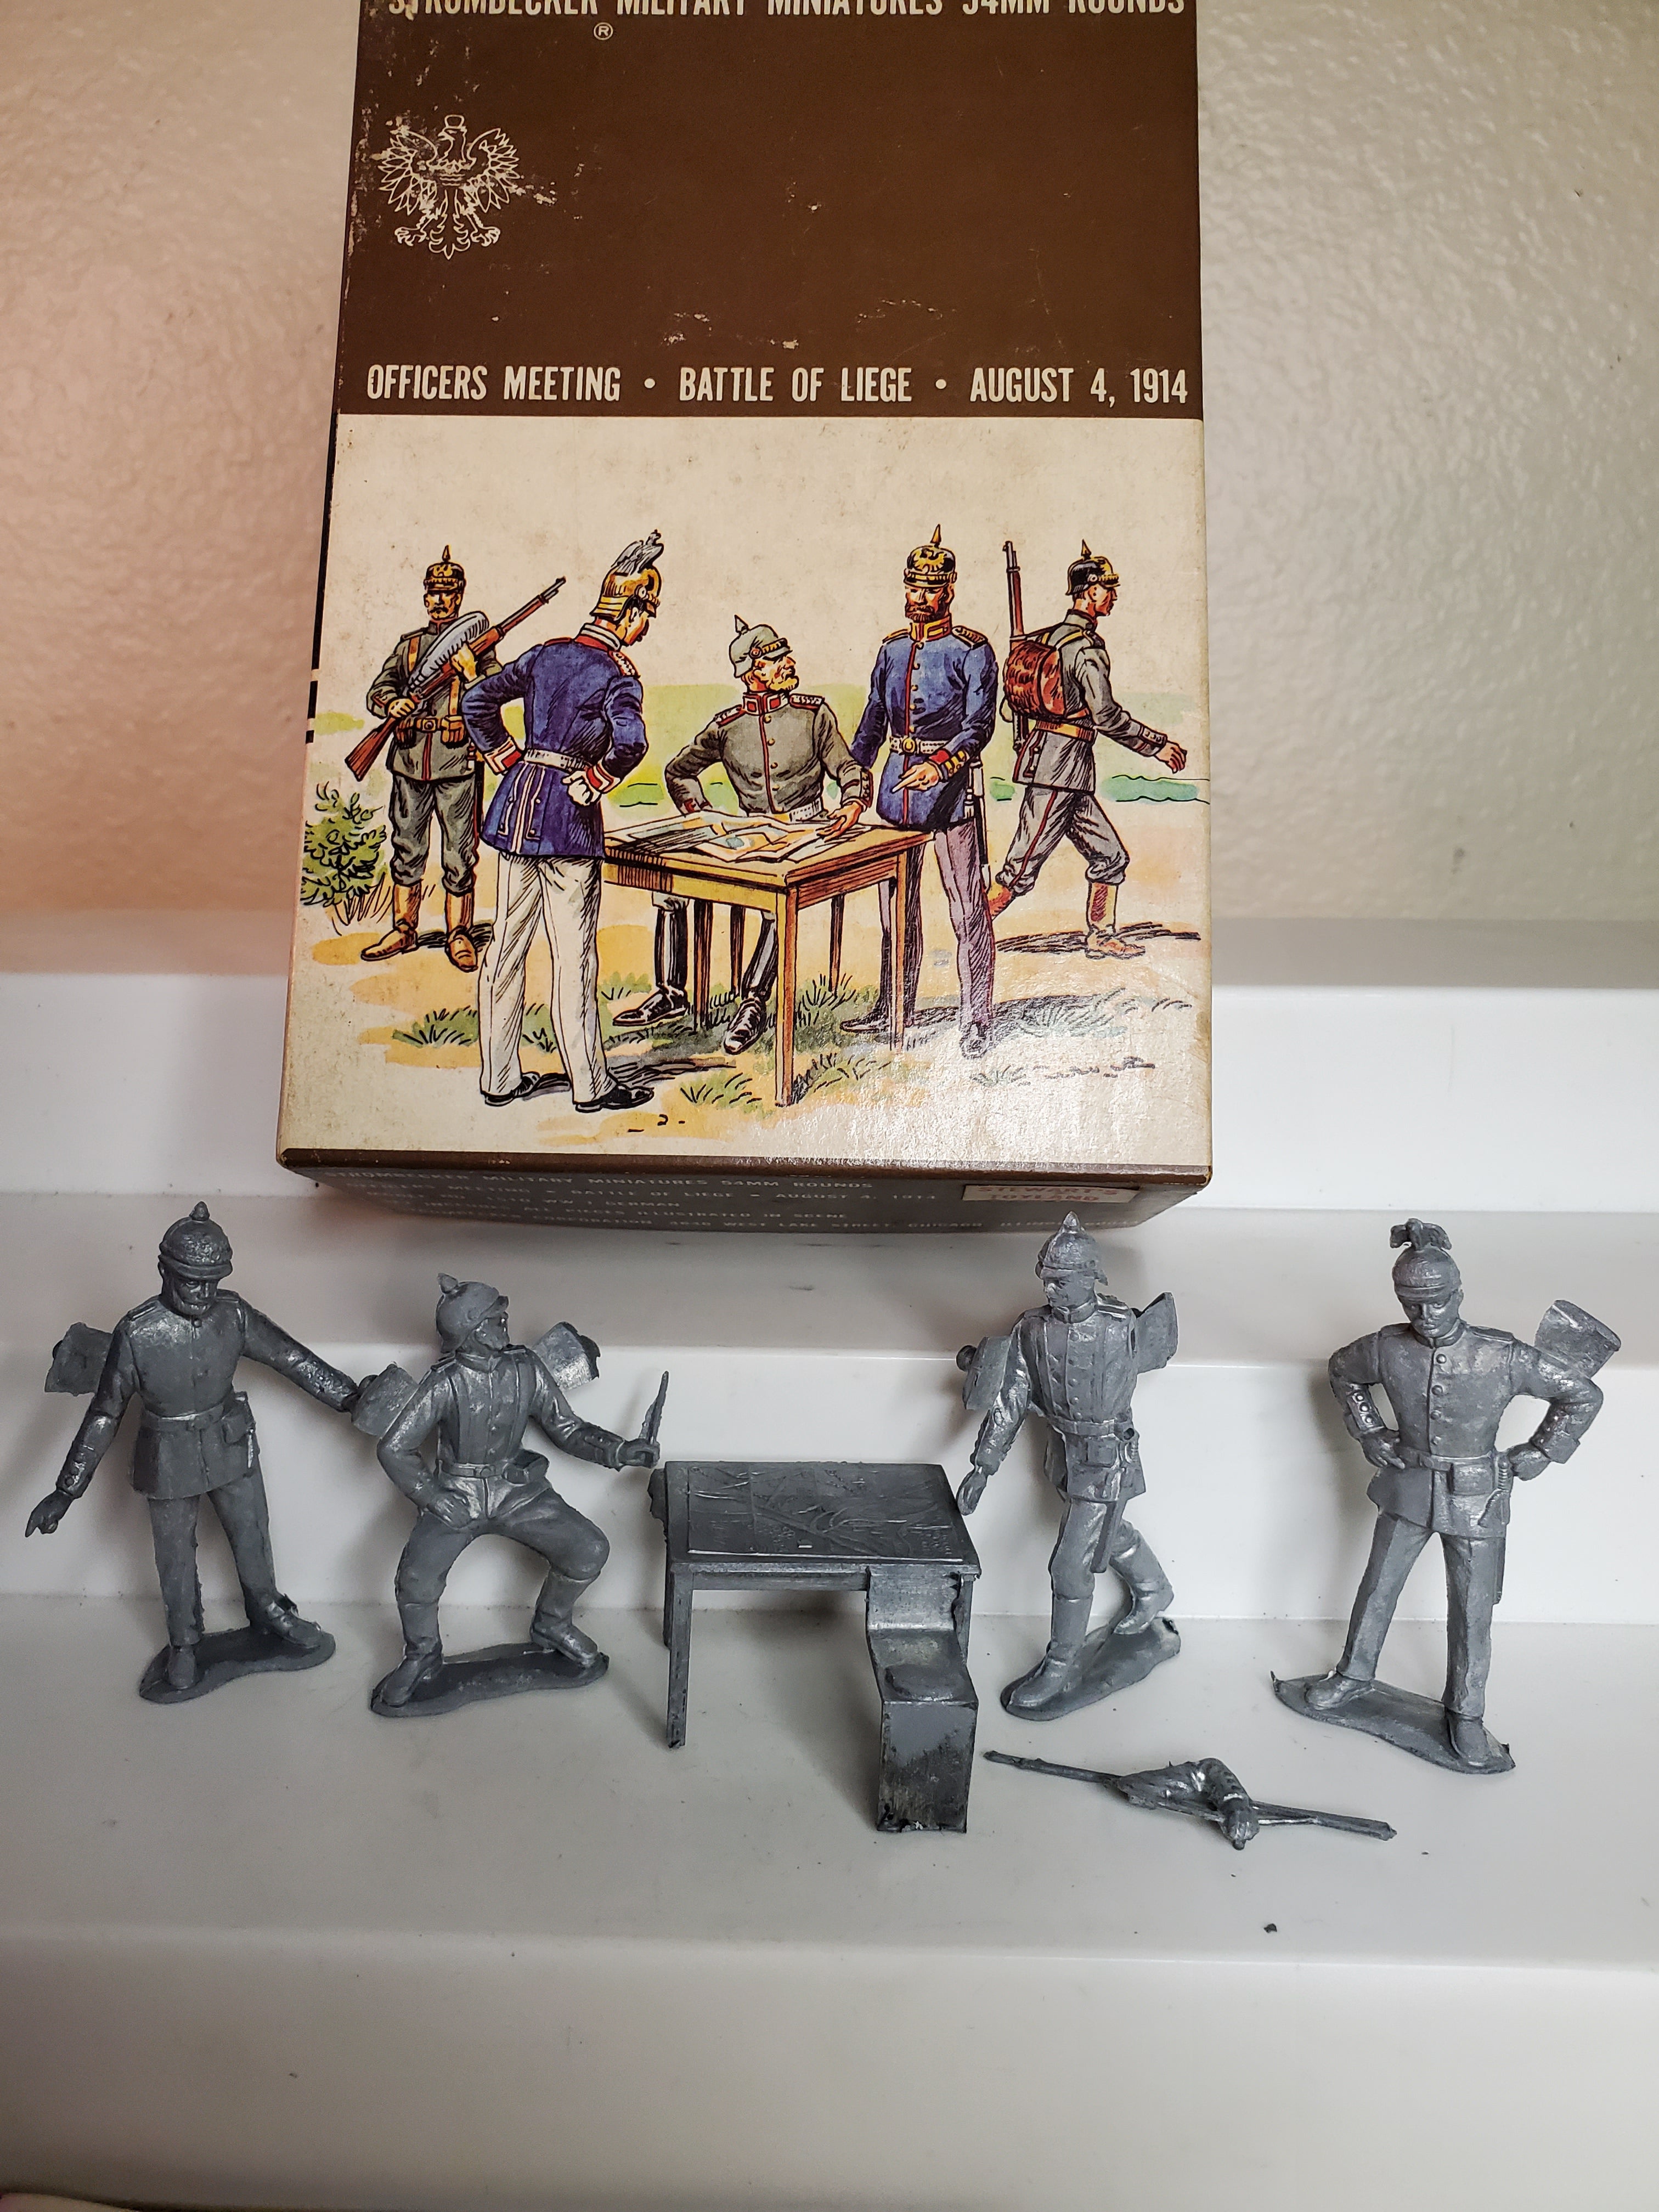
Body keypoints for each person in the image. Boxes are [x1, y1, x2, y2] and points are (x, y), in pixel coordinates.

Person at [25, 1204, 363, 1695]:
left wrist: (347, 1395)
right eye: (190, 1282)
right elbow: (104, 1414)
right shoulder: (137, 1332)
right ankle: (184, 1642)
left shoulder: (234, 1314)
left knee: (252, 1533)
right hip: (167, 1456)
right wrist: (66, 1491)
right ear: (164, 1271)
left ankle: (269, 1609)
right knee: (175, 1555)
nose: (203, 1293)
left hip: (228, 1442)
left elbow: (290, 1356)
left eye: (212, 1282)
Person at [1308, 1219, 1607, 1766]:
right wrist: (1370, 1432)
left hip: (1477, 1498)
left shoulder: (1504, 1355)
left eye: (1438, 1301)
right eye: (1412, 1304)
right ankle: (1353, 1676)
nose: (1426, 1315)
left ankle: (1466, 1714)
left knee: (1472, 1611)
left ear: (1459, 1293)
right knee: (1378, 1588)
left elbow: (1582, 1395)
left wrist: (1542, 1451)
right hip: (1407, 1487)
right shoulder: (1385, 1347)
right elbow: (1342, 1372)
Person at [373, 1276, 660, 1707]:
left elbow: (567, 1428)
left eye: (501, 1316)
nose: (504, 1323)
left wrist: (618, 1450)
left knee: (588, 1550)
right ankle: (422, 1657)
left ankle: (553, 1624)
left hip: (517, 1490)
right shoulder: (444, 1382)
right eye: (495, 1318)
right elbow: (394, 1448)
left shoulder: (526, 1368)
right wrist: (432, 1497)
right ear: (472, 1330)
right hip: (458, 1495)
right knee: (415, 1578)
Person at [460, 533, 663, 1114]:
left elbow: (477, 701)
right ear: (629, 613)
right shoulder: (619, 674)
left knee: (505, 948)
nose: (645, 629)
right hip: (568, 822)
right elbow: (632, 744)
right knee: (574, 958)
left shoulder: (545, 654)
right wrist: (596, 779)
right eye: (646, 617)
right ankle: (590, 1085)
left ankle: (499, 1078)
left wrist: (505, 756)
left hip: (518, 810)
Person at [612, 616, 870, 1054]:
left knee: (774, 905)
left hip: (807, 830)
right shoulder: (727, 726)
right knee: (670, 886)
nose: (789, 663)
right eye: (776, 660)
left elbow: (847, 767)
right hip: (749, 832)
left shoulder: (814, 715)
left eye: (786, 656)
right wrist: (700, 813)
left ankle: (753, 1002)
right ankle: (671, 993)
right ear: (752, 673)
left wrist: (852, 802)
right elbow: (679, 771)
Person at [956, 1214, 1177, 1716]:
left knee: (1070, 1565)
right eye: (1047, 1279)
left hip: (1107, 1460)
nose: (1050, 1289)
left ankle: (1062, 1664)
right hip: (1063, 1457)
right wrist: (983, 1468)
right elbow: (1012, 1400)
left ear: (1091, 1277)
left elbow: (1156, 1346)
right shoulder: (1031, 1329)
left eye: (1062, 1280)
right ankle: (1155, 1589)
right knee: (1108, 1536)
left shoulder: (1121, 1326)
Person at [989, 543, 1187, 959]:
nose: (1113, 597)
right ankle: (969, 930)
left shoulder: (1044, 638)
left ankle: (1100, 936)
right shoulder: (1085, 649)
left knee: (1110, 856)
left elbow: (1011, 708)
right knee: (1019, 870)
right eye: (1108, 589)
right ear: (1090, 592)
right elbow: (1108, 716)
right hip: (1057, 773)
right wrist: (1158, 745)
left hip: (1066, 770)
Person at [843, 529, 997, 1059]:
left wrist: (938, 766)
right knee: (896, 913)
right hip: (897, 794)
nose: (919, 597)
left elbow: (978, 727)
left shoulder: (972, 650)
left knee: (967, 909)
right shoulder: (891, 649)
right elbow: (872, 721)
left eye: (930, 588)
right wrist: (852, 780)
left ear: (949, 590)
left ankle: (976, 1017)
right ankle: (895, 1007)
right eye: (913, 587)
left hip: (951, 792)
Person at [362, 546, 500, 971]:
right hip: (409, 759)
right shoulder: (409, 648)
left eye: (447, 594)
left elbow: (497, 691)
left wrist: (471, 672)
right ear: (425, 598)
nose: (439, 601)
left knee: (459, 852)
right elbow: (378, 691)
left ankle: (458, 933)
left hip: (457, 760)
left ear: (459, 598)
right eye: (433, 594)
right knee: (407, 846)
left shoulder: (477, 648)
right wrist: (392, 705)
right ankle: (404, 928)